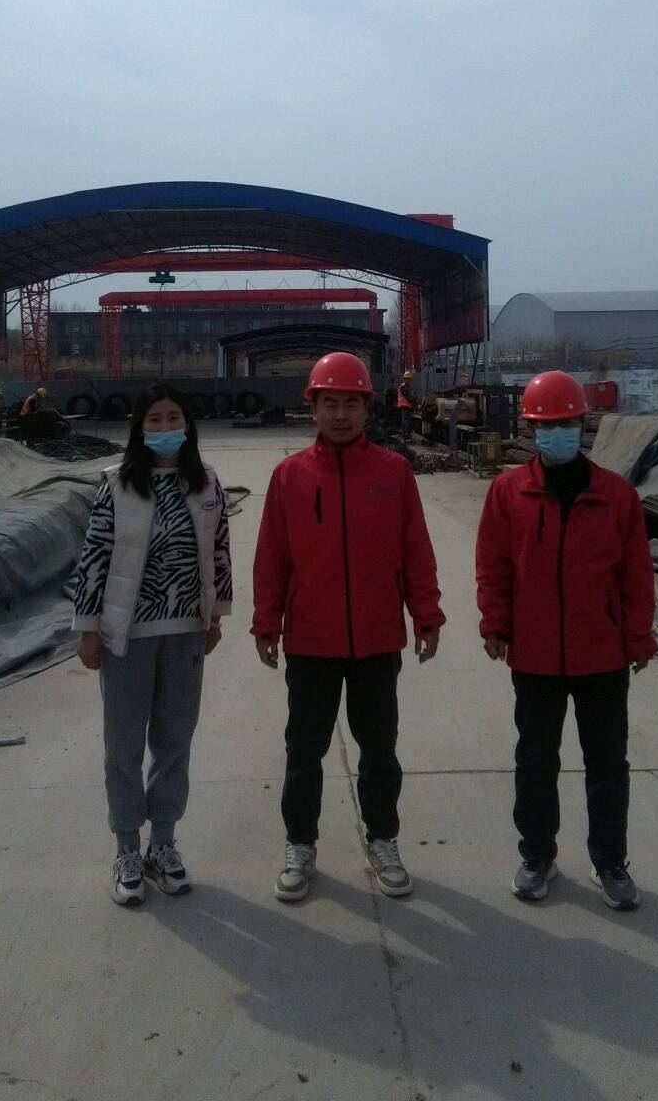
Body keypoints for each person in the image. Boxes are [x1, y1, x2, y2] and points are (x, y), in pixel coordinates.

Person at [253, 351, 444, 903]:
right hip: (311, 640)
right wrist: (267, 621)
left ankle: (382, 840)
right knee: (303, 751)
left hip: (377, 640)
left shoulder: (393, 473)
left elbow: (415, 549)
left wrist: (426, 613)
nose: (340, 415)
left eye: (351, 404)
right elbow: (272, 556)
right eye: (330, 403)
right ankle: (300, 844)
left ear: (367, 408)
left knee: (380, 751)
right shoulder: (290, 476)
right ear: (312, 408)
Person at [475, 370, 656, 911]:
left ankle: (610, 862)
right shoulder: (509, 492)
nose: (557, 434)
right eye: (546, 426)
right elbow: (493, 566)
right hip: (534, 656)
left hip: (602, 655)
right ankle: (537, 857)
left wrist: (638, 637)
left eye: (567, 424)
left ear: (583, 425)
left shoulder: (616, 496)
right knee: (535, 763)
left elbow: (636, 575)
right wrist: (494, 623)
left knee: (608, 765)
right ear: (531, 429)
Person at [72, 386, 232, 906]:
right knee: (123, 747)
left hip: (185, 632)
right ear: (140, 429)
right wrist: (87, 628)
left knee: (174, 741)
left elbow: (219, 551)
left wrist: (215, 616)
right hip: (126, 636)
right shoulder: (117, 485)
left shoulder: (206, 484)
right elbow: (94, 556)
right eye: (156, 419)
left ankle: (162, 844)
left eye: (174, 417)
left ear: (188, 425)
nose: (166, 427)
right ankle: (126, 848)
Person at [397, 371, 415, 441]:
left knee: (406, 421)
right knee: (406, 422)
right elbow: (409, 397)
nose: (409, 380)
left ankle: (405, 436)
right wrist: (416, 402)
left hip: (406, 406)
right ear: (404, 379)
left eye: (409, 379)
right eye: (407, 378)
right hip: (405, 406)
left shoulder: (406, 386)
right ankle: (406, 437)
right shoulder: (404, 387)